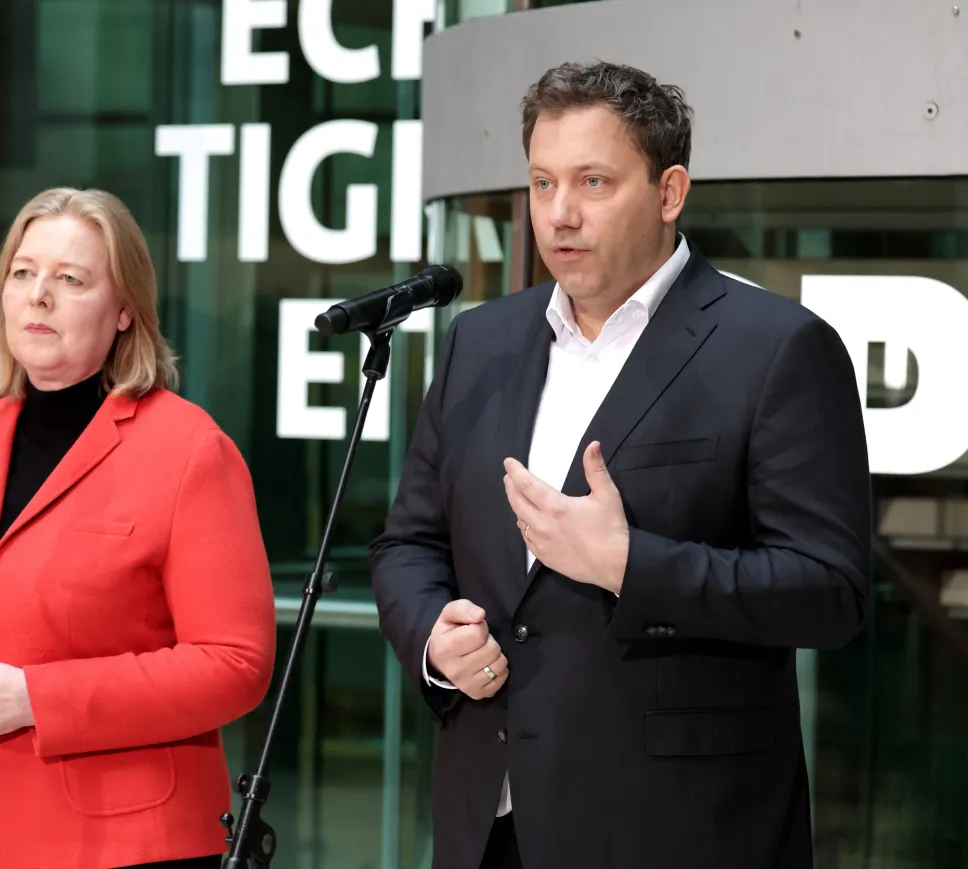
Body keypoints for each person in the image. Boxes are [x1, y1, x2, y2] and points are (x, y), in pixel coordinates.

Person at [370, 61, 871, 869]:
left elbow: (831, 593)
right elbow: (406, 545)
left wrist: (633, 565)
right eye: (541, 183)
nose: (559, 213)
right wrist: (432, 632)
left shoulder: (776, 348)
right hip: (487, 823)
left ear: (670, 192)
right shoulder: (480, 343)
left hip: (676, 830)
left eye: (593, 181)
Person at [0, 187, 277, 869]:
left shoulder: (188, 450)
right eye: (24, 273)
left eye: (71, 279)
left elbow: (234, 664)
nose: (38, 296)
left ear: (125, 311)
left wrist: (35, 698)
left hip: (112, 845)